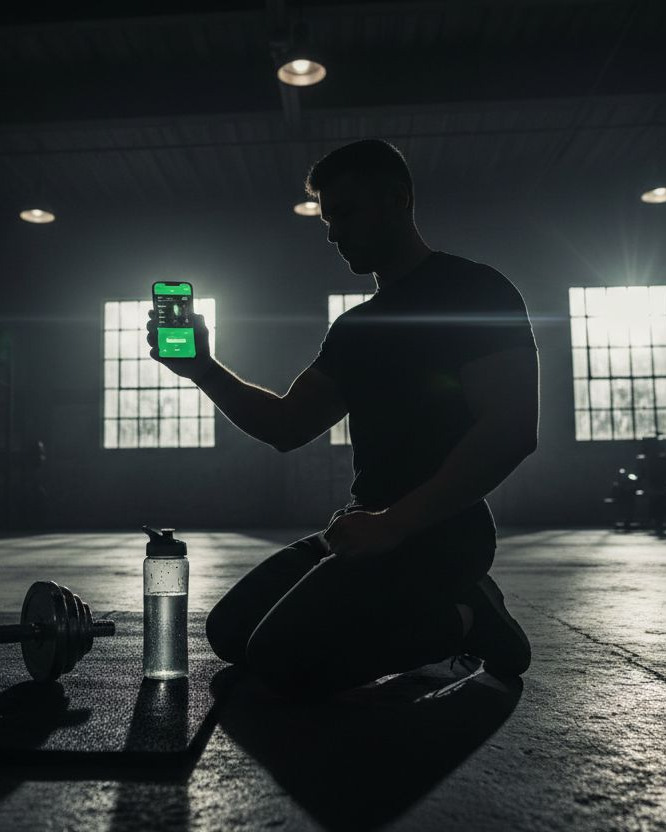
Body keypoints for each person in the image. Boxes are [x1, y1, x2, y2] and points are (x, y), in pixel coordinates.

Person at [146, 139, 540, 699]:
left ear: (397, 199)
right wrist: (202, 368)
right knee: (230, 633)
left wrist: (396, 524)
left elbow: (512, 429)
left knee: (283, 658)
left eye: (346, 214)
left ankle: (469, 619)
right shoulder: (355, 329)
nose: (333, 233)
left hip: (441, 531)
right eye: (327, 219)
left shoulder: (476, 290)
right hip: (365, 529)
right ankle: (434, 605)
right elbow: (287, 426)